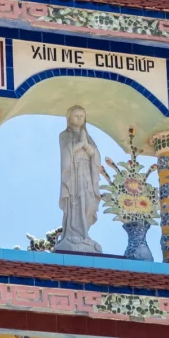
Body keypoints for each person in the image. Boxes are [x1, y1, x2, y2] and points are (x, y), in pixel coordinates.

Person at [55, 106, 103, 254]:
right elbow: (65, 153)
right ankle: (72, 234)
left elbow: (96, 156)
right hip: (74, 174)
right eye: (76, 115)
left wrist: (87, 146)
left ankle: (85, 234)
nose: (79, 118)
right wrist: (79, 145)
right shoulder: (64, 135)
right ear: (69, 118)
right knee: (75, 203)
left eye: (82, 116)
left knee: (89, 203)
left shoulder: (87, 136)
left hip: (86, 173)